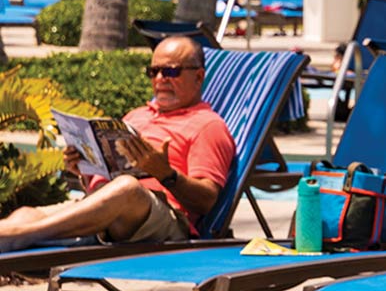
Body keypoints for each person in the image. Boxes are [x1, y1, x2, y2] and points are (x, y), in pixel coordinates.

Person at [0, 37, 236, 252]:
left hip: (163, 220)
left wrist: (166, 174)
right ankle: (18, 233)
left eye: (171, 71)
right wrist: (83, 168)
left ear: (199, 76)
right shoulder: (136, 116)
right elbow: (102, 188)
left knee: (127, 188)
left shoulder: (208, 125)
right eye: (153, 71)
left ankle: (21, 237)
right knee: (26, 214)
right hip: (109, 212)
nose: (160, 79)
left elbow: (206, 200)